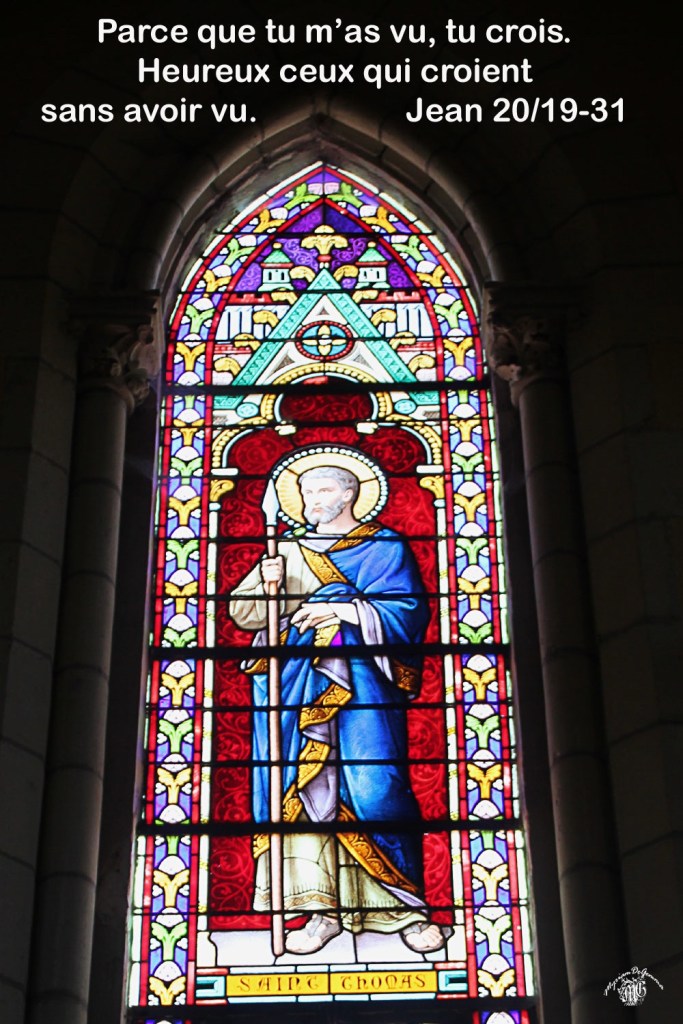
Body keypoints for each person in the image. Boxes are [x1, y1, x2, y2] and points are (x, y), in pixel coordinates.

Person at [228, 447, 447, 955]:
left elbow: (408, 612)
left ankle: (403, 909)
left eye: (323, 490)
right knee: (303, 793)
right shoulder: (288, 549)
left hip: (364, 688)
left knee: (375, 790)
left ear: (351, 494)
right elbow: (244, 615)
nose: (311, 500)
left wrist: (343, 612)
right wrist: (268, 584)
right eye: (306, 491)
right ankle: (321, 910)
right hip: (295, 684)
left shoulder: (384, 547)